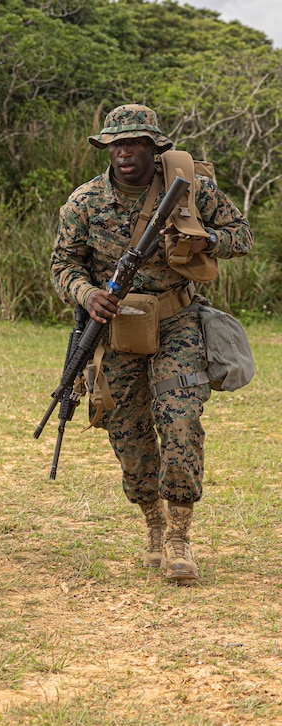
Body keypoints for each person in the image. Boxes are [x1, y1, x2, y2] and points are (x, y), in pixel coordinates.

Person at [50, 104, 252, 584]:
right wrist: (87, 293)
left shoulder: (191, 189)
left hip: (176, 321)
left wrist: (206, 240)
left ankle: (181, 537)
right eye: (116, 144)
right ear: (107, 149)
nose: (125, 153)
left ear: (154, 147)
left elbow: (241, 235)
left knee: (181, 422)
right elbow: (63, 265)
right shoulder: (83, 203)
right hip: (116, 331)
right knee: (129, 435)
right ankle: (154, 525)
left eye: (135, 143)